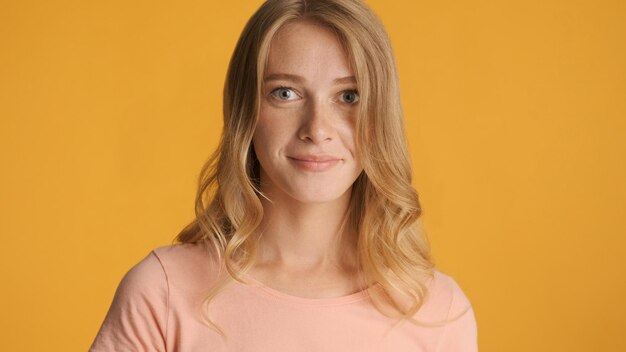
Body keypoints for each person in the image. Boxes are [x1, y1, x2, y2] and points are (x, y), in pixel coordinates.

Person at [89, 0, 478, 351]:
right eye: (285, 93)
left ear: (382, 117)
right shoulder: (162, 292)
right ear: (247, 113)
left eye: (349, 96)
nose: (317, 128)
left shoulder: (438, 314)